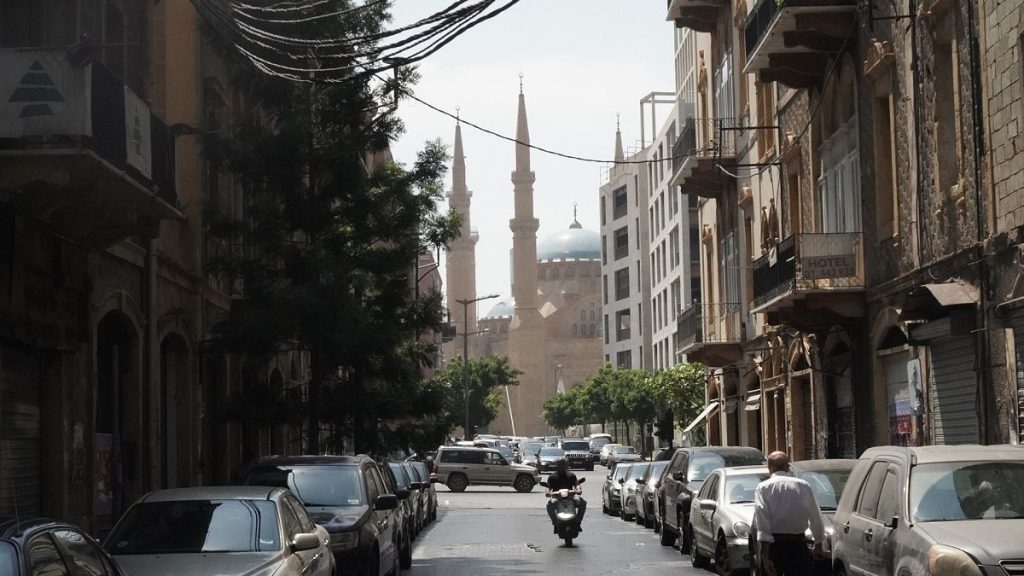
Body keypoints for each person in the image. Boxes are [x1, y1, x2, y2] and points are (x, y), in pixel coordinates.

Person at [753, 451, 825, 576]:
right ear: (787, 467)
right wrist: (818, 544)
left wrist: (765, 556)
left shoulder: (763, 488)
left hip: (775, 548)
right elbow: (815, 517)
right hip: (798, 546)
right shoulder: (803, 486)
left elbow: (763, 523)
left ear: (769, 468)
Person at [545, 458, 586, 533]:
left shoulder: (571, 475)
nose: (561, 466)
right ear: (557, 465)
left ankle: (578, 522)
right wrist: (548, 492)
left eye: (563, 464)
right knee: (549, 505)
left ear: (566, 465)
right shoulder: (552, 477)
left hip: (570, 496)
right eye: (559, 464)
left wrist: (578, 489)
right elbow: (548, 487)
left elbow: (576, 484)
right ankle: (555, 524)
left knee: (583, 503)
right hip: (557, 497)